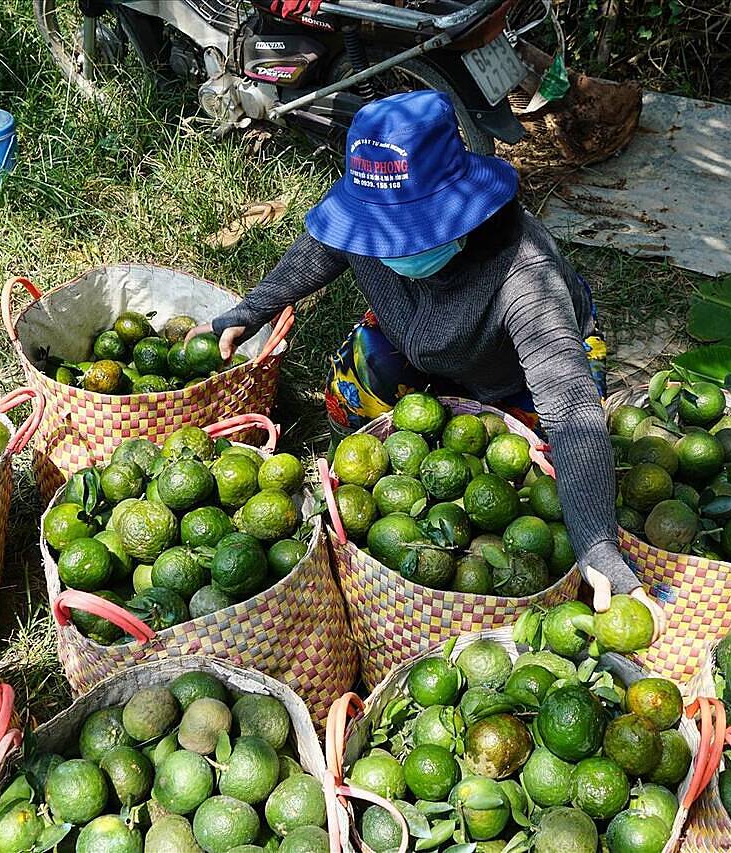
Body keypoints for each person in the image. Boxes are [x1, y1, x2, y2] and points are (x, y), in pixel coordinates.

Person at [196, 89, 665, 631]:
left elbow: (570, 409)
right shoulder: (371, 217)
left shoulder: (523, 277)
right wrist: (253, 308)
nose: (387, 249)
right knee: (358, 383)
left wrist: (597, 545)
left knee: (534, 488)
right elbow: (325, 248)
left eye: (409, 235)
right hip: (413, 339)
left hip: (515, 373)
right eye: (378, 236)